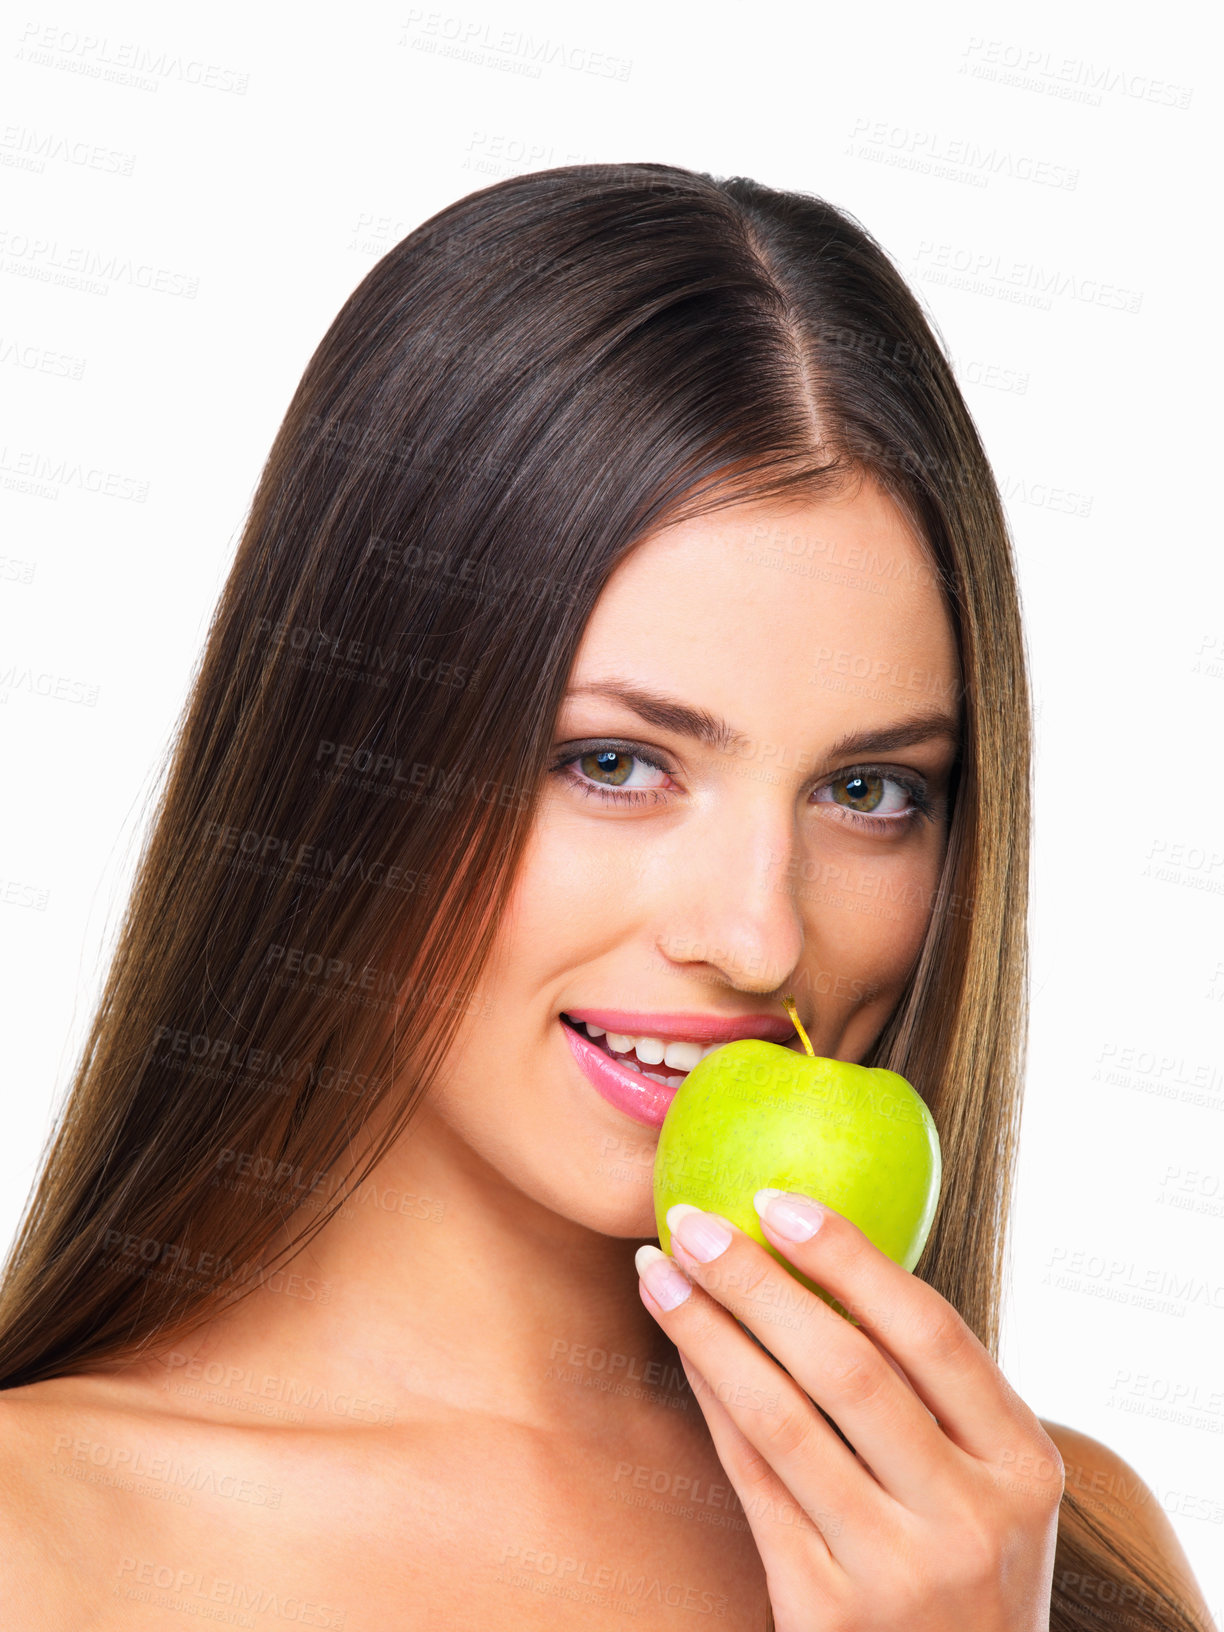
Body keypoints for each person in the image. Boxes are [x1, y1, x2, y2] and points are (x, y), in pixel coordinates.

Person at [0, 161, 1214, 1631]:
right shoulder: (40, 1541)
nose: (760, 938)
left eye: (870, 792)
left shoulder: (1035, 1538)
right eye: (614, 761)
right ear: (346, 752)